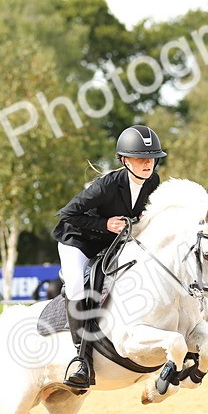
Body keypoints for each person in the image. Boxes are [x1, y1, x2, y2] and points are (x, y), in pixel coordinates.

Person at [52, 124, 167, 388]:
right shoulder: (106, 186)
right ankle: (81, 359)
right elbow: (67, 215)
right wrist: (105, 224)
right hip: (78, 241)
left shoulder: (154, 182)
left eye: (151, 158)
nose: (148, 163)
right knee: (79, 288)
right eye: (140, 158)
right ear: (125, 160)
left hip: (111, 242)